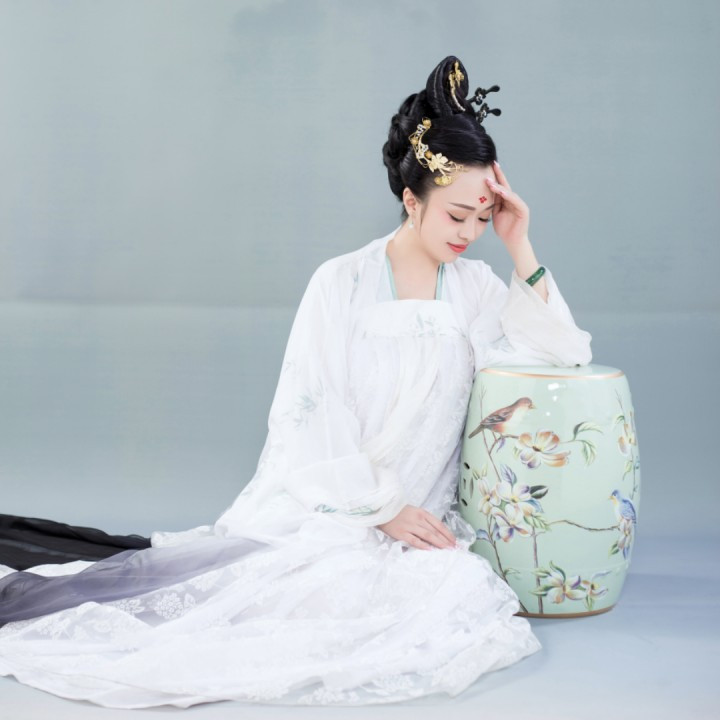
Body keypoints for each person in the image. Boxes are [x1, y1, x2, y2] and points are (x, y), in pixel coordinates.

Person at [0, 55, 592, 708]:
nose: (470, 233)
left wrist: (518, 242)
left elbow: (560, 356)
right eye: (457, 216)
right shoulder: (342, 282)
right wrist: (381, 509)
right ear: (410, 199)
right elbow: (309, 413)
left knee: (446, 604)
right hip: (335, 507)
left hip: (420, 524)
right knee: (292, 604)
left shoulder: (474, 289)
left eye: (482, 218)